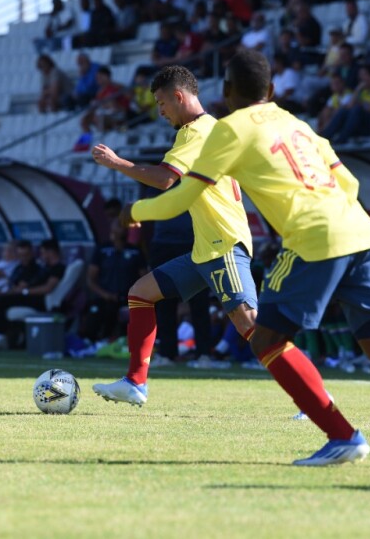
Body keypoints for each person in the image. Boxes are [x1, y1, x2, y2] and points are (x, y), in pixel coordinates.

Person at [121, 50, 370, 465]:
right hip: (362, 232)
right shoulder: (296, 123)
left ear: (227, 91)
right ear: (270, 90)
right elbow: (349, 181)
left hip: (313, 237)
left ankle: (343, 436)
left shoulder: (227, 130)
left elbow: (182, 196)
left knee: (266, 339)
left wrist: (134, 212)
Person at [90, 65, 259, 405]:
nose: (160, 111)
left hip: (223, 244)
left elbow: (165, 179)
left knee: (250, 324)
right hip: (205, 248)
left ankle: (313, 395)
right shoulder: (211, 127)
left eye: (161, 103)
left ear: (178, 97)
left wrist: (117, 162)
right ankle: (135, 382)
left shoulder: (194, 132)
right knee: (141, 293)